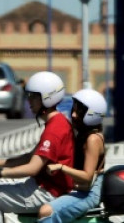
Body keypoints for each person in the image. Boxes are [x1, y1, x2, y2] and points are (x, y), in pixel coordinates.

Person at [0, 71, 75, 223]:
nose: (29, 101)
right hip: (42, 186)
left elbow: (32, 168)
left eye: (34, 96)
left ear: (47, 98)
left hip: (49, 192)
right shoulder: (56, 123)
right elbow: (30, 156)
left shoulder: (55, 130)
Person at [38, 88, 108, 223]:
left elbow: (87, 177)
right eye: (73, 110)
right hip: (81, 190)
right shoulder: (85, 135)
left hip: (88, 194)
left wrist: (61, 167)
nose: (74, 115)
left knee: (46, 212)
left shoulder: (92, 139)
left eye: (80, 111)